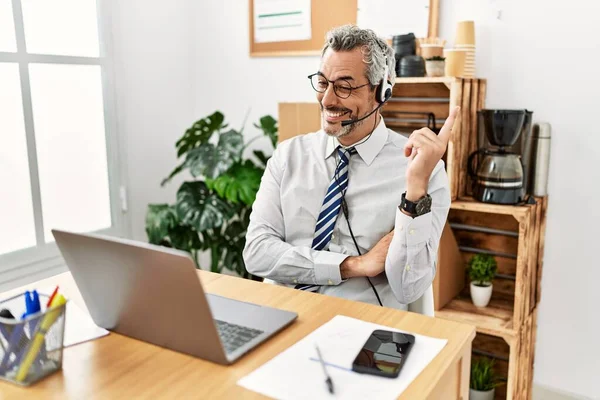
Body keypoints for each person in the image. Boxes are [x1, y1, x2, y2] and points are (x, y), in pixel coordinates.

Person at [243, 24, 458, 310]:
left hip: (364, 327)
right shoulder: (288, 156)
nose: (328, 100)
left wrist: (415, 192)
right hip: (285, 314)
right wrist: (353, 265)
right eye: (322, 83)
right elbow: (256, 253)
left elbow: (409, 289)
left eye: (344, 87)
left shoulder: (422, 170)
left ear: (382, 92)